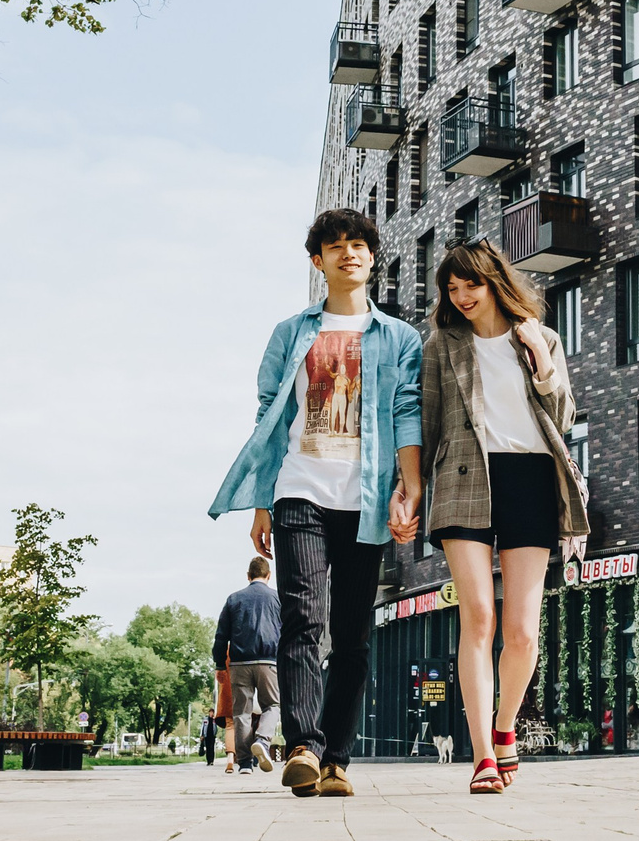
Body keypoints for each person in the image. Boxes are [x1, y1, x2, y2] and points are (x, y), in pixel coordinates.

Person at [209, 207, 423, 799]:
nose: (348, 253)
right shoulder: (291, 332)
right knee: (304, 618)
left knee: (352, 634)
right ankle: (303, 745)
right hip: (298, 488)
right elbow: (269, 419)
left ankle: (336, 760)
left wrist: (410, 488)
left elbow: (407, 411)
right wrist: (262, 502)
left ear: (372, 258)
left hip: (366, 498)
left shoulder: (399, 337)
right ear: (318, 261)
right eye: (336, 246)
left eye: (359, 245)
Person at [420, 240, 587, 794]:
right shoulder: (442, 343)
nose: (462, 296)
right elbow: (428, 422)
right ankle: (483, 756)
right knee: (478, 619)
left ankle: (506, 725)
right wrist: (409, 489)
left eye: (472, 284)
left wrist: (541, 358)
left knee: (521, 632)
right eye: (452, 288)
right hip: (462, 478)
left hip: (530, 479)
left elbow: (563, 416)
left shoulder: (540, 337)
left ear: (495, 282)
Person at [214, 555, 282, 775]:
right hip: (268, 661)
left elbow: (221, 635)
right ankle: (262, 740)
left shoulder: (234, 599)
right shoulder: (277, 598)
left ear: (248, 575)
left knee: (241, 713)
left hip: (239, 663)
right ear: (268, 575)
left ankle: (244, 764)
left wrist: (219, 664)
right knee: (272, 705)